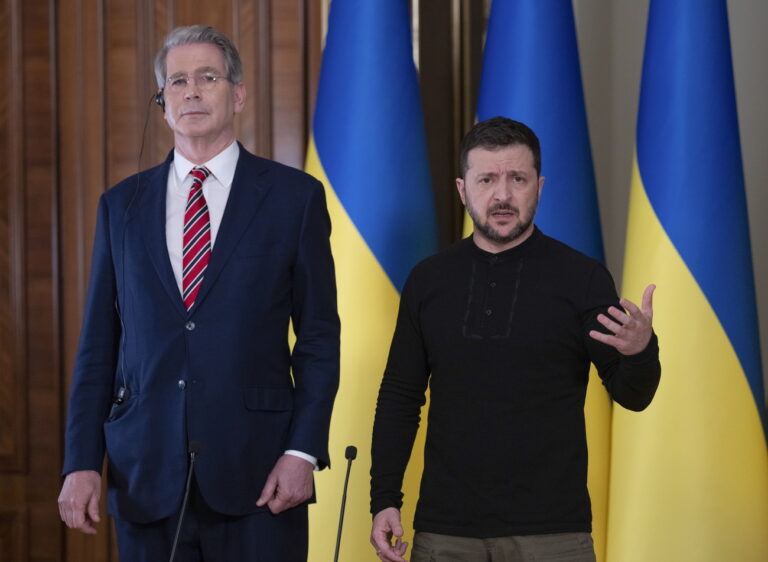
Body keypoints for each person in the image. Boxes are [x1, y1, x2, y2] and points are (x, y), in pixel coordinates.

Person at [57, 25, 339, 561]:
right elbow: (99, 345)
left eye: (207, 77)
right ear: (162, 103)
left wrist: (302, 451)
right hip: (145, 477)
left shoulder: (294, 198)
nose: (191, 91)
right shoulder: (121, 206)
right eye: (178, 81)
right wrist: (79, 462)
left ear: (237, 94)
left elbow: (320, 337)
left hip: (260, 476)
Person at [369, 117, 660, 562]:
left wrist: (640, 352)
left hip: (553, 533)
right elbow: (400, 396)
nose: (502, 195)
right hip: (445, 532)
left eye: (517, 179)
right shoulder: (428, 281)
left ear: (539, 187)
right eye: (486, 179)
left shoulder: (582, 278)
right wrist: (385, 497)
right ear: (463, 189)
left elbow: (631, 396)